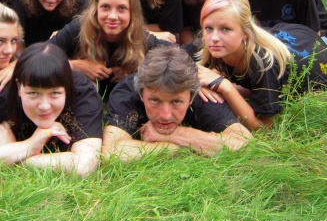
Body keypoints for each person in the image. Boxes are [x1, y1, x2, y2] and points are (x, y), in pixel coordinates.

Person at [0, 43, 103, 176]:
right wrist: (28, 146)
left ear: (67, 88)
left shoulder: (82, 93)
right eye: (33, 93)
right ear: (19, 86)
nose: (44, 106)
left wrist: (12, 153)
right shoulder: (0, 94)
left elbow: (85, 166)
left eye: (55, 93)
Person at [195, 0, 327, 131]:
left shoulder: (262, 64)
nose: (214, 37)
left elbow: (266, 127)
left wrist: (225, 86)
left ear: (245, 32)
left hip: (319, 60)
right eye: (208, 28)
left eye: (225, 29)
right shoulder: (215, 46)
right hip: (290, 33)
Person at [102, 46, 252, 160]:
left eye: (176, 102)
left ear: (191, 97)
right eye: (155, 100)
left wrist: (179, 135)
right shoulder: (128, 92)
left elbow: (244, 143)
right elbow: (111, 152)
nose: (165, 115)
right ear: (141, 93)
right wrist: (175, 148)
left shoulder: (203, 97)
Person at [48, 0, 173, 99]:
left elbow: (178, 54)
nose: (113, 16)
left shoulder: (140, 37)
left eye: (122, 8)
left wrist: (137, 72)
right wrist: (76, 65)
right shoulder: (79, 28)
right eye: (105, 7)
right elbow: (41, 57)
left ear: (132, 12)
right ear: (96, 8)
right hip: (80, 94)